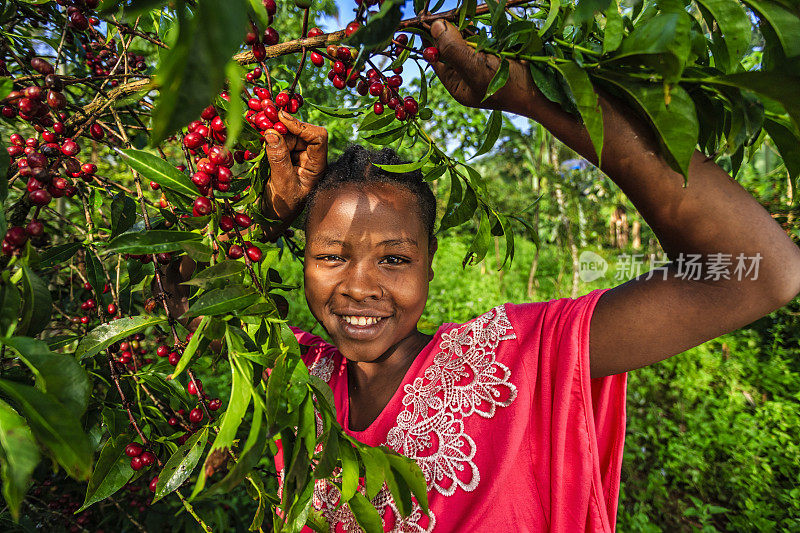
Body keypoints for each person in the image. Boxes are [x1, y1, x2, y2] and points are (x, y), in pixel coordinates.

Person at [164, 20, 800, 532]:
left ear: (431, 264)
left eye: (393, 258)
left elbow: (760, 272)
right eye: (330, 255)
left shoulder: (507, 363)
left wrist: (529, 97)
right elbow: (178, 295)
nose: (358, 285)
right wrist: (263, 219)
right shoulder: (294, 376)